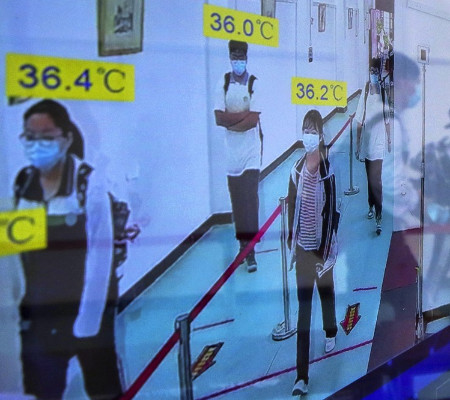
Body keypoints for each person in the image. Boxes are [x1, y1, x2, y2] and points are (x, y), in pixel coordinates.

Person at [14, 99, 123, 400]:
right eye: (30, 137)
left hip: (86, 308)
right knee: (43, 388)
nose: (37, 145)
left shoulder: (88, 184)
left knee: (102, 387)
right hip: (41, 311)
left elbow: (100, 260)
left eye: (46, 137)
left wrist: (86, 324)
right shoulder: (24, 183)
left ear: (66, 138)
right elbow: (22, 253)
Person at [287, 110, 339, 396]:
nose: (308, 135)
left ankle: (331, 331)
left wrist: (324, 250)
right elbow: (291, 209)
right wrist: (292, 244)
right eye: (305, 130)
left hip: (323, 249)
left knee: (326, 294)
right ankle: (301, 377)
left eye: (313, 130)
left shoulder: (328, 171)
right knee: (304, 311)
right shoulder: (295, 170)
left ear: (320, 135)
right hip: (303, 252)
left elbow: (332, 214)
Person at [214, 40, 262, 272]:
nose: (238, 61)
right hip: (231, 155)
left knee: (250, 199)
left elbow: (253, 121)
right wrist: (242, 116)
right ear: (230, 58)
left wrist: (231, 120)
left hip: (251, 152)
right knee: (238, 202)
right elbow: (218, 118)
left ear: (246, 57)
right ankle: (242, 244)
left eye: (241, 56)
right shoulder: (222, 84)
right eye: (235, 56)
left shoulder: (254, 84)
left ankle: (250, 252)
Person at [355, 57, 391, 235]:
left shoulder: (383, 94)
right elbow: (359, 121)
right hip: (367, 144)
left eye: (376, 71)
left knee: (377, 180)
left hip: (379, 145)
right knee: (370, 179)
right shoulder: (365, 92)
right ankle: (370, 205)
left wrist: (389, 140)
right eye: (371, 71)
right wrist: (357, 144)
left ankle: (379, 215)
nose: (373, 74)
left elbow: (387, 120)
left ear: (379, 73)